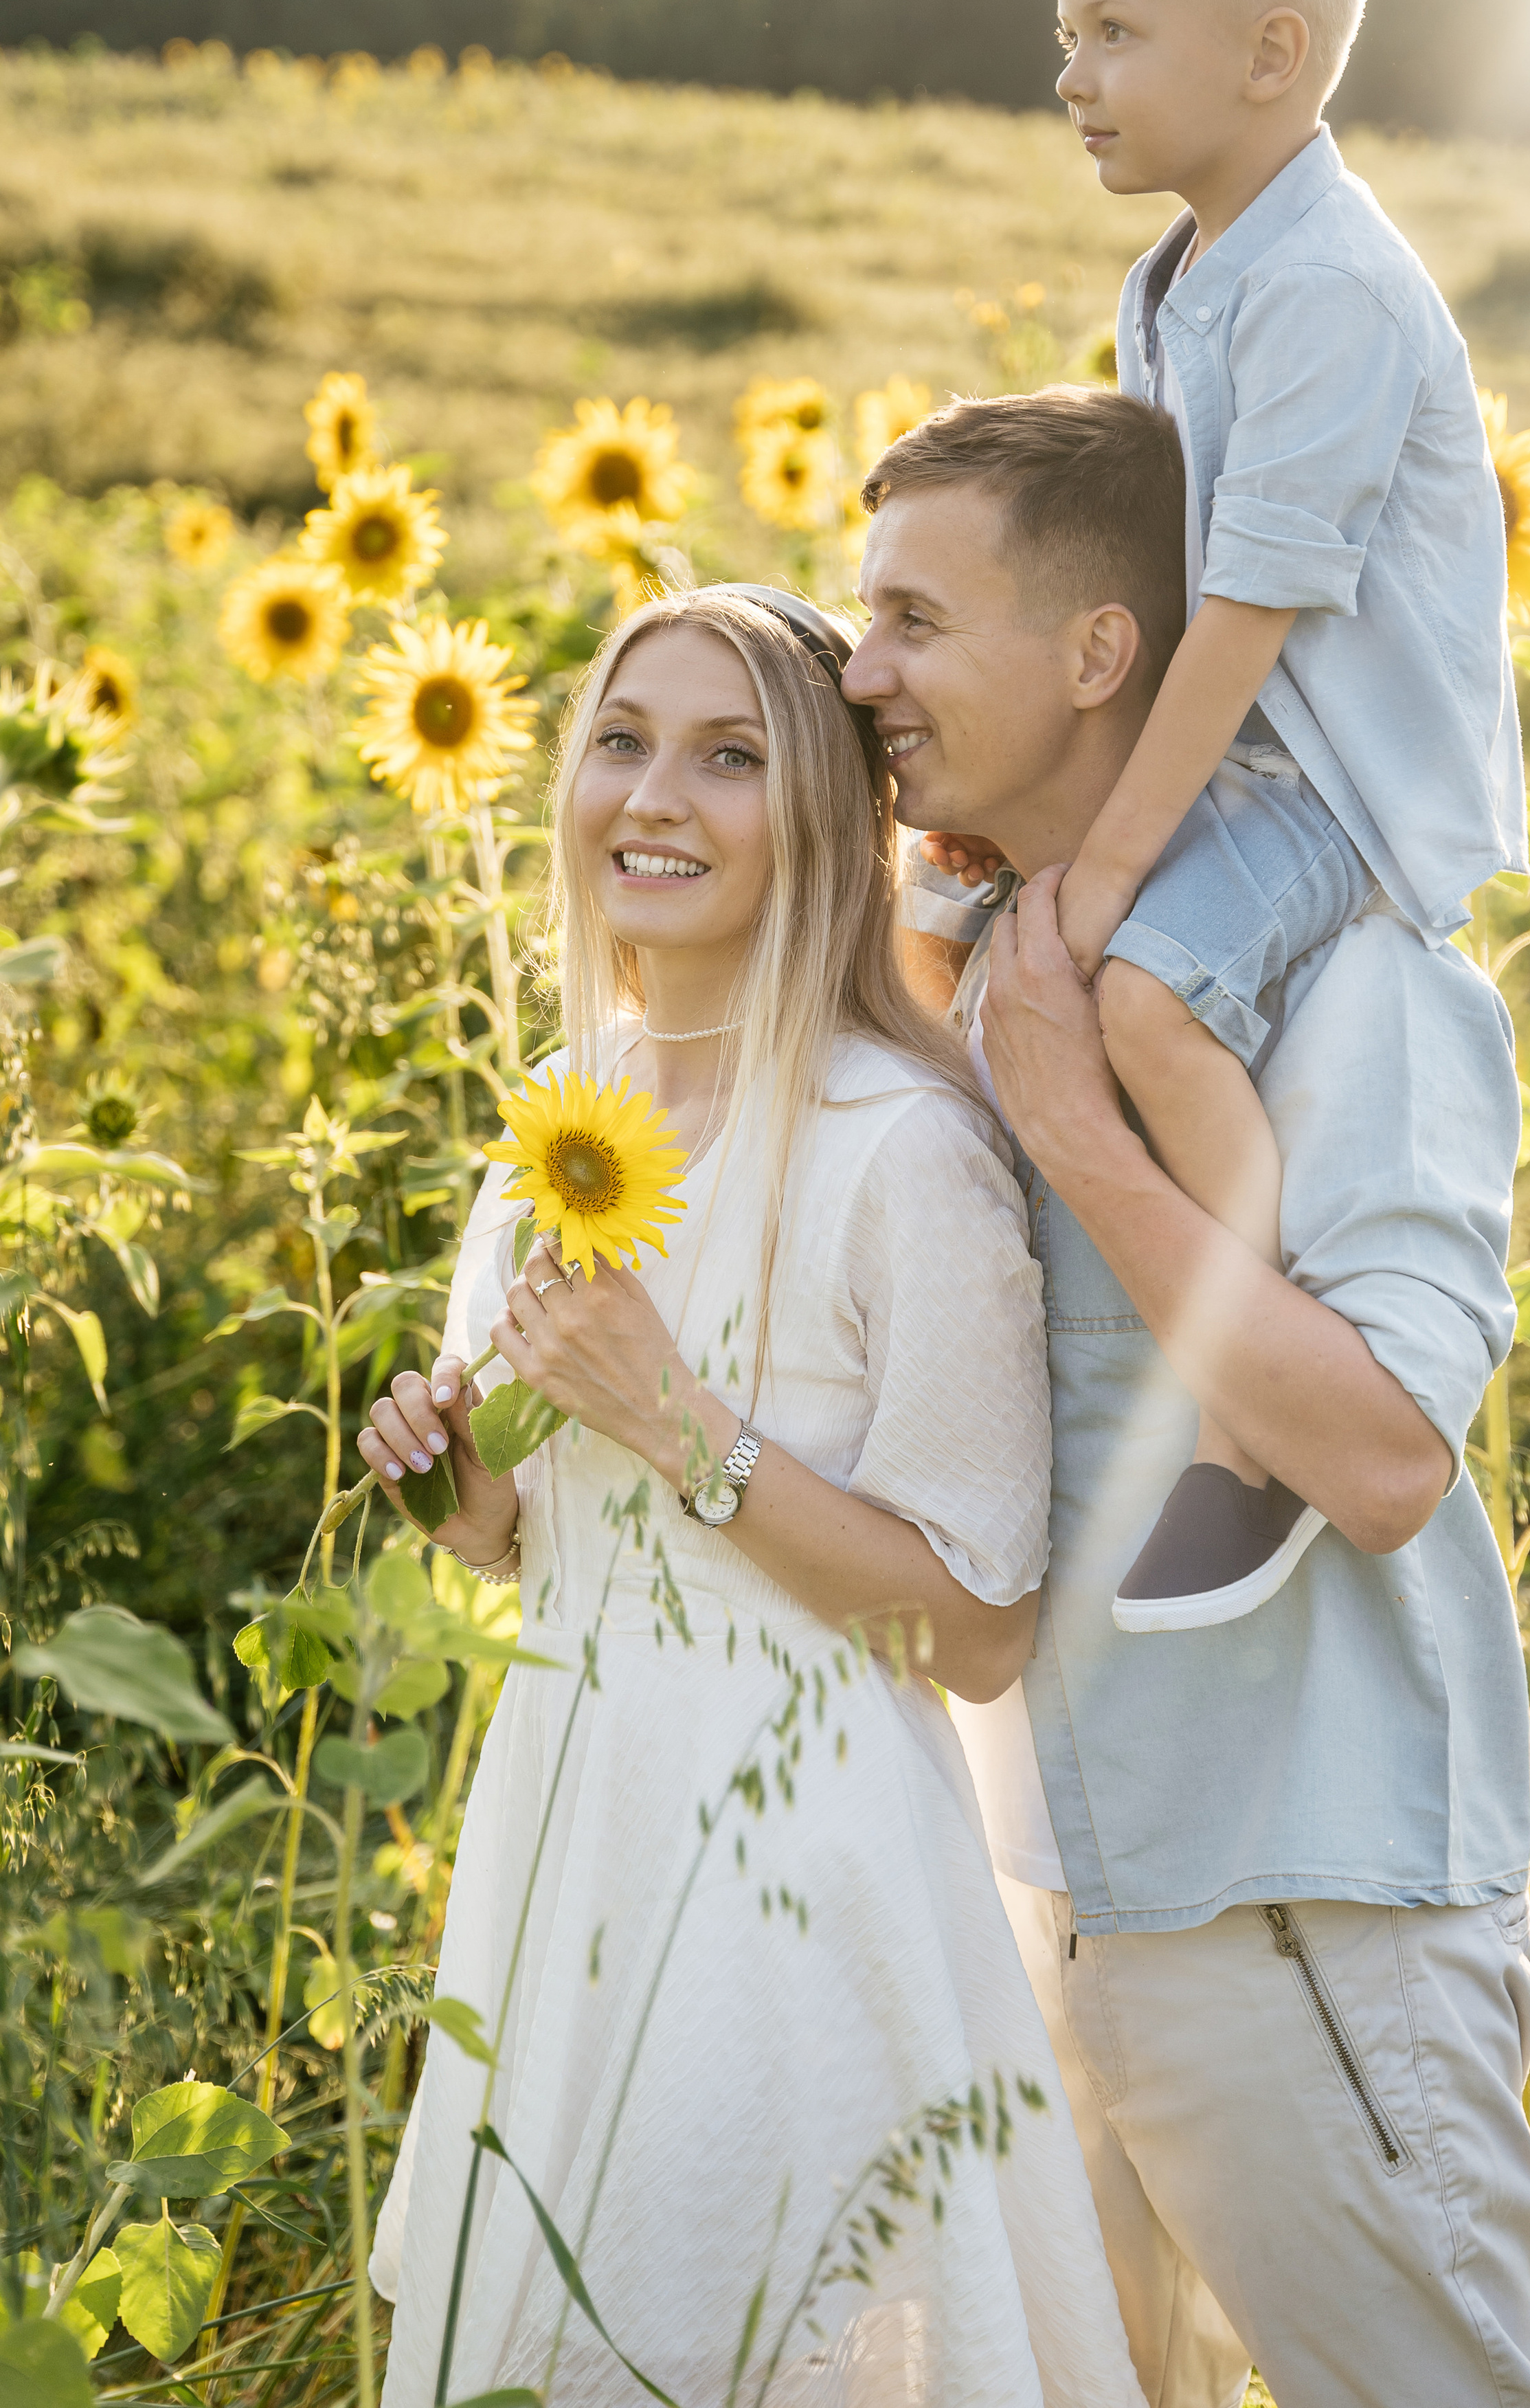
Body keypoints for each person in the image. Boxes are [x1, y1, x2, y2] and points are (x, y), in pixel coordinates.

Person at [846, 392, 1530, 2408]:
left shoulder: (1363, 986)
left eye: (915, 616)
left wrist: (1089, 1137)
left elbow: (1379, 1455)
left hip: (1294, 1915)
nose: (863, 667)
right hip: (1047, 1894)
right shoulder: (982, 966)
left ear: (1097, 654)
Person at [358, 586, 1147, 2407]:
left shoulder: (906, 1147)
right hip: (571, 1836)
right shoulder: (566, 1114)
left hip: (804, 1879)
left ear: (823, 823)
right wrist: (460, 1489)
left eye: (730, 758)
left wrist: (677, 1422)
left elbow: (976, 1626)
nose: (654, 796)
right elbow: (534, 1550)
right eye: (624, 742)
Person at [928, 0, 1524, 1627]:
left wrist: (1110, 870)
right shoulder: (1189, 271)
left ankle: (1239, 1447)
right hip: (1253, 744)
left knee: (1142, 993)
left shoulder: (1333, 286)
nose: (1069, 76)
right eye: (1067, 33)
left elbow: (1253, 617)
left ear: (1274, 54)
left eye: (1116, 33)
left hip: (1345, 778)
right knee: (969, 937)